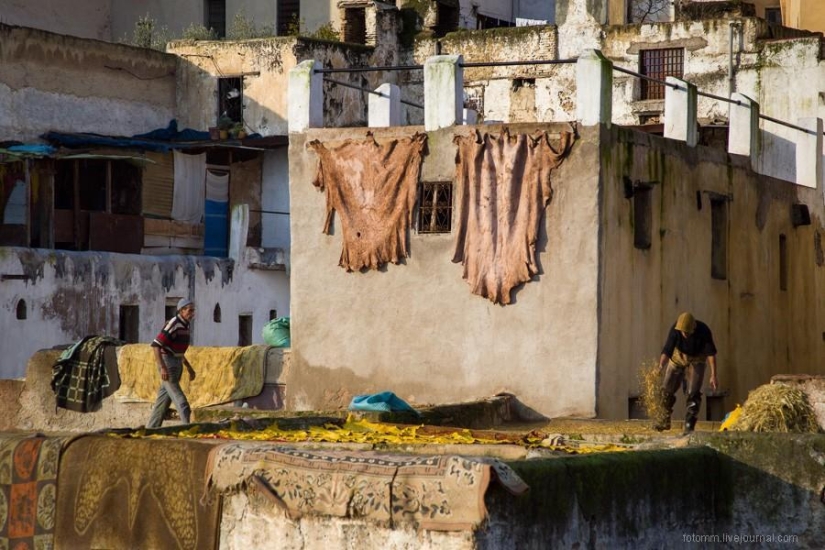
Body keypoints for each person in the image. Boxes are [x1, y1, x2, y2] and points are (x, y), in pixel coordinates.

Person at [655, 312, 718, 434]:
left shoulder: (703, 331)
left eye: (687, 332)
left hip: (697, 358)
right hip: (679, 356)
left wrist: (713, 375)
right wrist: (660, 366)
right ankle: (663, 419)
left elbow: (711, 354)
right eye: (683, 332)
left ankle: (689, 425)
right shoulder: (675, 330)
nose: (684, 334)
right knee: (666, 389)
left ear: (693, 328)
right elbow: (667, 350)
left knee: (692, 392)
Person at [146, 298, 197, 428]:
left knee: (162, 402)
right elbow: (156, 345)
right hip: (168, 363)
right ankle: (189, 428)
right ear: (181, 310)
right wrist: (162, 367)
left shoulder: (185, 325)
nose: (192, 314)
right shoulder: (174, 324)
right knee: (181, 401)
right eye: (190, 311)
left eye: (193, 311)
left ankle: (151, 429)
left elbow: (178, 350)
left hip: (177, 362)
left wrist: (188, 367)